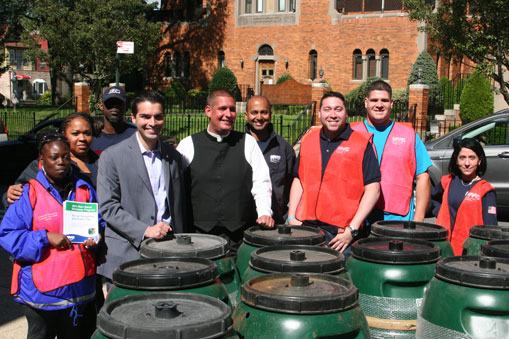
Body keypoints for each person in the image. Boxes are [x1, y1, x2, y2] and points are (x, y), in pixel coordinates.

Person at [0, 133, 103, 339]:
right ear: (41, 161)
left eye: (65, 157)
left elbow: (98, 222)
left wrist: (97, 237)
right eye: (53, 157)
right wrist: (45, 237)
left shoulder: (84, 190)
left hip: (78, 291)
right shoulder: (28, 193)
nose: (61, 162)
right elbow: (8, 235)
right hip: (41, 294)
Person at [97, 90, 186, 280]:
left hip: (168, 251)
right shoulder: (112, 157)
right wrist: (144, 230)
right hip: (127, 254)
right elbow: (108, 207)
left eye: (158, 117)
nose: (152, 123)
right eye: (145, 116)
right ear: (133, 118)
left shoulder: (173, 156)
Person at [177, 89, 274, 252]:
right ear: (208, 111)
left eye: (232, 109)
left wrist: (264, 212)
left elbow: (261, 182)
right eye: (222, 108)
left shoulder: (248, 143)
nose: (228, 114)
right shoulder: (188, 145)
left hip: (239, 236)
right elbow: (174, 186)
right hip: (198, 236)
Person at [287, 91, 381, 257]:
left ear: (346, 113)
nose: (332, 115)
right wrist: (291, 217)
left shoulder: (361, 144)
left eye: (338, 109)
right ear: (319, 113)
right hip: (305, 227)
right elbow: (299, 179)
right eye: (327, 109)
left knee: (336, 281)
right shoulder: (308, 140)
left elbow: (373, 190)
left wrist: (352, 230)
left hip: (339, 236)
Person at [351, 80, 432, 224]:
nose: (379, 104)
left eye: (384, 100)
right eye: (374, 100)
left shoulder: (409, 135)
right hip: (358, 217)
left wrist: (419, 218)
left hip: (398, 217)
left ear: (391, 103)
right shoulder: (352, 134)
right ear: (366, 102)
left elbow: (423, 177)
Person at [3, 112, 99, 208]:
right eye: (75, 133)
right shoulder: (43, 165)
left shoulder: (101, 162)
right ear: (64, 135)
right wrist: (10, 194)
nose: (82, 138)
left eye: (87, 133)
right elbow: (16, 196)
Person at [432, 138, 497, 255]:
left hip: (469, 253)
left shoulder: (485, 190)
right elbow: (433, 197)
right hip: (443, 249)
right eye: (462, 158)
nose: (467, 163)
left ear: (480, 160)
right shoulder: (447, 181)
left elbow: (491, 229)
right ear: (456, 160)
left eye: (472, 158)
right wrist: (439, 212)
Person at [245, 95, 295, 224]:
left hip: (275, 220)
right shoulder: (238, 146)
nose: (259, 117)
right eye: (254, 112)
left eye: (264, 112)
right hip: (243, 220)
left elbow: (291, 184)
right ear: (246, 115)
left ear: (270, 114)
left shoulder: (284, 149)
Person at [90, 86, 136, 156]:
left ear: (126, 107)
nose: (114, 108)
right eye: (110, 104)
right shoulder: (92, 135)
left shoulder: (136, 135)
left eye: (119, 104)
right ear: (101, 106)